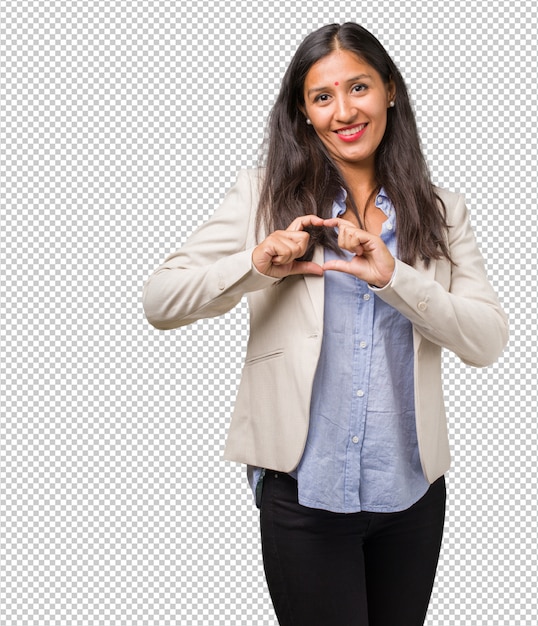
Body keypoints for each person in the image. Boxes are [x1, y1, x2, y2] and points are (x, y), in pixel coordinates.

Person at [143, 22, 508, 626]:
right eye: (322, 96)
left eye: (359, 87)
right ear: (304, 112)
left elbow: (487, 339)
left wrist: (398, 279)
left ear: (390, 90)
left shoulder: (441, 211)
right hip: (304, 494)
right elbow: (160, 301)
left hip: (412, 495)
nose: (344, 111)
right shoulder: (262, 198)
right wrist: (255, 263)